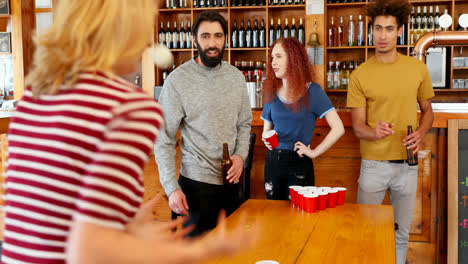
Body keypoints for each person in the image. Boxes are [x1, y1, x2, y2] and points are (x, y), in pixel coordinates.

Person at [1, 1, 253, 264]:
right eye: (141, 30)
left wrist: (125, 225)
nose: (146, 45)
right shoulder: (126, 107)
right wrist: (201, 251)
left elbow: (56, 216)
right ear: (122, 34)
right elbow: (87, 252)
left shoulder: (34, 96)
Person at [346, 0, 434, 263]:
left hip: (407, 166)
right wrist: (376, 132)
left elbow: (428, 112)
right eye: (378, 28)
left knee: (401, 234)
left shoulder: (417, 68)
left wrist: (421, 133)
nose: (382, 35)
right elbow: (358, 127)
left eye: (389, 29)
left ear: (399, 31)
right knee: (366, 232)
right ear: (370, 30)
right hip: (373, 166)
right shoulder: (359, 75)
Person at [155, 11, 252, 237]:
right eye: (205, 36)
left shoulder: (236, 77)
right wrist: (171, 188)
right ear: (194, 40)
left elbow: (244, 125)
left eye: (218, 36)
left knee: (233, 256)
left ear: (226, 39)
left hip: (232, 185)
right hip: (195, 187)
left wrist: (240, 156)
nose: (212, 43)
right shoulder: (177, 80)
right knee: (196, 256)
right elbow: (163, 139)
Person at [261, 37, 344, 200]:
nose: (273, 63)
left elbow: (338, 128)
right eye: (272, 58)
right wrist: (266, 138)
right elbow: (266, 131)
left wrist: (313, 152)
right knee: (273, 216)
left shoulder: (313, 91)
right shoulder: (271, 92)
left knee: (300, 218)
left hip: (299, 164)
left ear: (293, 58)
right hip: (273, 162)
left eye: (279, 56)